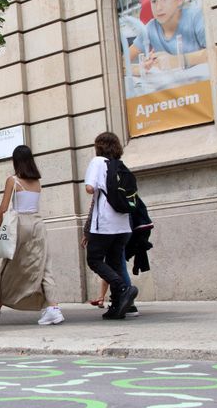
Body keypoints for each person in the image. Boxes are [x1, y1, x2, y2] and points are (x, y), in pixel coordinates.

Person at [0, 145, 64, 326]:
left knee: (6, 269)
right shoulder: (37, 182)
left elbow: (3, 208)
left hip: (20, 225)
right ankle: (53, 308)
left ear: (15, 161)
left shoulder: (13, 180)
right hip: (38, 225)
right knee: (43, 267)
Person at [81, 132, 139, 320]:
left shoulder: (97, 162)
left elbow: (90, 188)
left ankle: (123, 288)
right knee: (114, 262)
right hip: (123, 224)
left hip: (104, 224)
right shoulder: (120, 165)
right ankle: (116, 306)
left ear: (99, 146)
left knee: (94, 259)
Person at [129, 0, 207, 75]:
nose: (159, 7)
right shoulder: (150, 28)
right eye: (154, 1)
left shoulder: (195, 17)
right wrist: (142, 68)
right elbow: (122, 62)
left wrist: (177, 60)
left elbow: (216, 50)